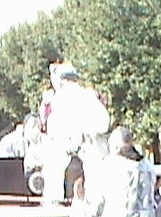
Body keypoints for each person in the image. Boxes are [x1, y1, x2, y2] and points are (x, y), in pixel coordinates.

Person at [41, 63, 110, 203]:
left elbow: (103, 124)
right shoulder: (57, 101)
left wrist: (83, 135)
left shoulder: (85, 97)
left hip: (88, 156)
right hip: (66, 159)